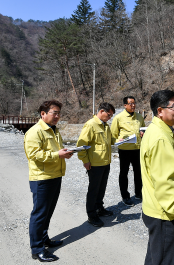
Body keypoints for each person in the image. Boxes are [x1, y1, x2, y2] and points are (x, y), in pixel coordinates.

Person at [140, 89, 174, 265]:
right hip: (164, 213)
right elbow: (165, 184)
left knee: (155, 256)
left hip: (156, 208)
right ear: (160, 111)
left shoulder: (157, 130)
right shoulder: (161, 138)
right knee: (164, 260)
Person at [24, 100, 74, 262]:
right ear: (43, 114)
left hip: (55, 176)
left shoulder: (54, 130)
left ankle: (44, 238)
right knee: (39, 214)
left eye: (59, 113)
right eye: (54, 113)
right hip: (42, 179)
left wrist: (65, 153)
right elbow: (34, 155)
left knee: (48, 212)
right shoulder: (35, 131)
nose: (57, 116)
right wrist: (57, 155)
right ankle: (37, 249)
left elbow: (55, 151)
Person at [77, 102, 116, 227]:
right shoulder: (90, 125)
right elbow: (81, 145)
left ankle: (99, 208)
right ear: (102, 111)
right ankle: (91, 215)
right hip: (94, 164)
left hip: (105, 162)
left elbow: (110, 140)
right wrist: (85, 160)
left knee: (102, 187)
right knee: (93, 189)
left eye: (111, 116)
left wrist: (120, 140)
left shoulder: (105, 126)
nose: (110, 117)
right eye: (109, 115)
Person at [111, 96, 145, 206]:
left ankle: (139, 193)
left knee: (139, 172)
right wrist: (118, 140)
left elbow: (143, 130)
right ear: (125, 105)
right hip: (124, 150)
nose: (133, 105)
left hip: (138, 149)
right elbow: (113, 135)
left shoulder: (139, 117)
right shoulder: (118, 118)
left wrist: (142, 133)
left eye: (134, 103)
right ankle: (125, 196)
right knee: (124, 173)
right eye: (130, 103)